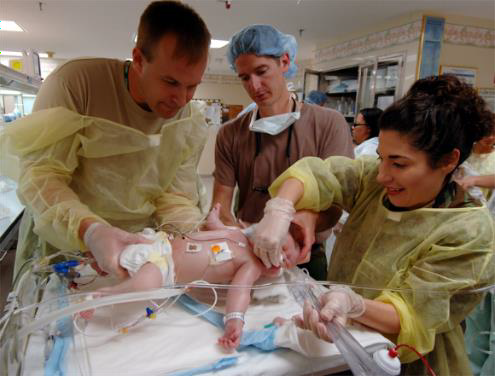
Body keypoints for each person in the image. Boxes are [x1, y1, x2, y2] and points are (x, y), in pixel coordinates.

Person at [252, 75, 495, 375]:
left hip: (409, 360)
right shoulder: (373, 181)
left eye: (399, 164)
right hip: (340, 343)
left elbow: (413, 314)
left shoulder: (468, 231)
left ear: (447, 160)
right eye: (381, 158)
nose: (382, 175)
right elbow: (319, 174)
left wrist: (355, 305)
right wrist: (282, 209)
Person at [4, 1, 211, 278]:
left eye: (192, 85)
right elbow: (42, 176)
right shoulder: (76, 86)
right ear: (138, 59)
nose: (182, 99)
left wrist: (196, 235)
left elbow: (175, 196)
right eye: (171, 82)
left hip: (139, 248)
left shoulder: (189, 120)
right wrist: (91, 230)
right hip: (70, 245)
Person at [212, 24, 354, 279]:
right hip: (247, 251)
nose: (255, 85)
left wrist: (298, 225)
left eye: (261, 71)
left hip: (305, 255)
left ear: (285, 62)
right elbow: (220, 206)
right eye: (245, 77)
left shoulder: (328, 124)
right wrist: (238, 234)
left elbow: (336, 201)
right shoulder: (231, 134)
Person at [81, 203, 301, 351]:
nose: (279, 255)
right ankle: (93, 258)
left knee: (144, 286)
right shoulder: (237, 234)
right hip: (159, 242)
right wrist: (213, 217)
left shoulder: (250, 265)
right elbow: (215, 228)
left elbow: (240, 291)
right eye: (283, 246)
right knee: (112, 252)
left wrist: (234, 320)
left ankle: (103, 295)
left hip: (167, 268)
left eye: (286, 259)